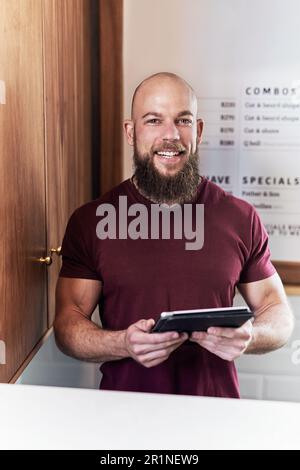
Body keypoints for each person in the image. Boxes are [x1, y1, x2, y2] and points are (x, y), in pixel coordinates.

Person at [54, 72, 294, 397]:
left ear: (198, 130)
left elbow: (278, 315)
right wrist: (122, 343)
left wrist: (250, 335)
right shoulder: (91, 221)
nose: (171, 135)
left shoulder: (239, 217)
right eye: (154, 120)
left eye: (182, 120)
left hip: (216, 420)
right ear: (130, 131)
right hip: (123, 419)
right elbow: (68, 325)